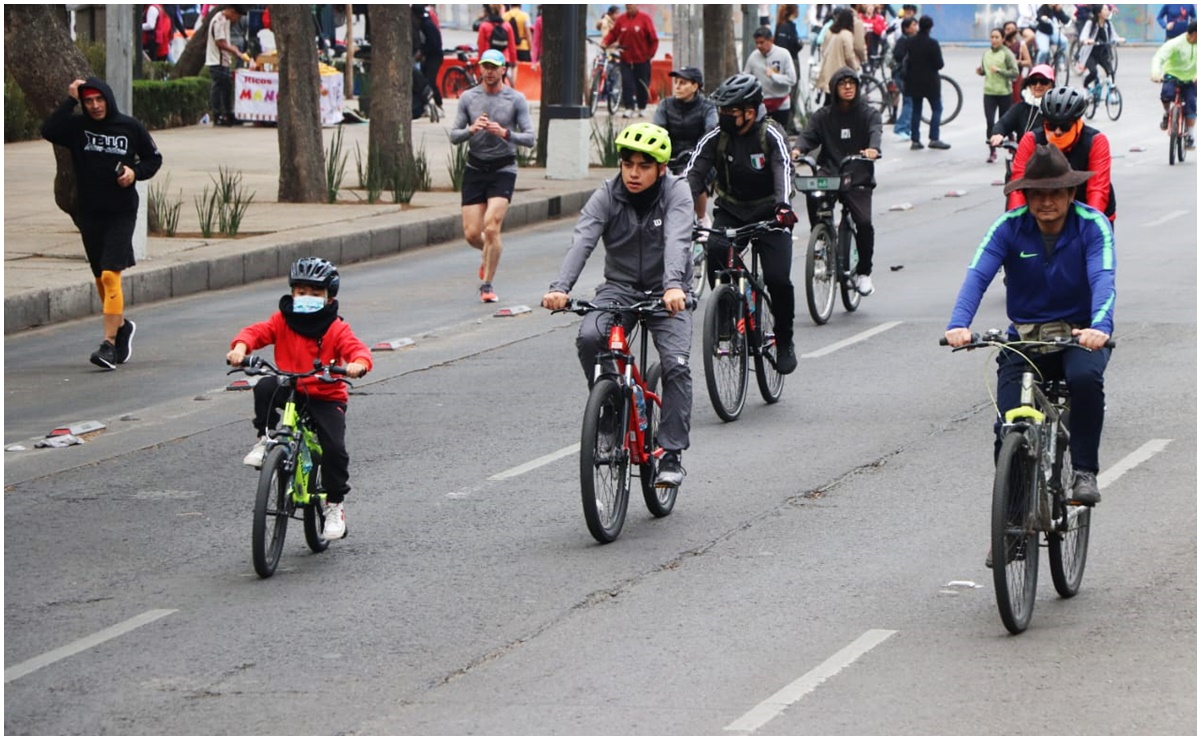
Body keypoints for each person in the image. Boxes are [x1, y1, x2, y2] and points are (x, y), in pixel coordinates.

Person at [945, 144, 1114, 511]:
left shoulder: (1092, 225)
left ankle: (1084, 470)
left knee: (1085, 381)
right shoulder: (1008, 228)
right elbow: (977, 275)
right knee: (1007, 427)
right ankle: (1012, 519)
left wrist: (1099, 327)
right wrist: (959, 324)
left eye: (1055, 193)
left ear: (1071, 193)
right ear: (1027, 196)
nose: (1046, 202)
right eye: (1037, 194)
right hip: (1024, 340)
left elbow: (1103, 278)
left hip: (1078, 337)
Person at [541, 123, 694, 488]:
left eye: (644, 166)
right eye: (628, 164)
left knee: (676, 364)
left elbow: (677, 240)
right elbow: (583, 240)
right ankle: (610, 413)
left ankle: (670, 452)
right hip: (619, 288)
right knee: (591, 336)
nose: (634, 173)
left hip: (666, 292)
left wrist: (673, 286)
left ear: (661, 168)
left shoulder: (677, 193)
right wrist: (560, 288)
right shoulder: (607, 195)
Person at [226, 257, 373, 541]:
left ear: (329, 297)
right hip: (290, 383)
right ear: (292, 292)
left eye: (316, 294)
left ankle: (334, 505)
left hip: (325, 393)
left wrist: (358, 364)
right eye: (302, 292)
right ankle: (266, 438)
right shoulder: (283, 319)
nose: (307, 298)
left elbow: (357, 349)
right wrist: (241, 347)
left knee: (333, 448)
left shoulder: (336, 328)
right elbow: (257, 333)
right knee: (265, 386)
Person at [40, 78, 163, 370]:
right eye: (89, 101)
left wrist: (134, 173)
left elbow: (153, 159)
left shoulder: (129, 127)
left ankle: (108, 344)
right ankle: (121, 327)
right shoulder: (77, 128)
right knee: (99, 276)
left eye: (100, 100)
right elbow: (48, 130)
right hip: (90, 212)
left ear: (108, 99)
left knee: (110, 274)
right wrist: (70, 100)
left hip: (121, 211)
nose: (95, 106)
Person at [684, 74, 799, 374]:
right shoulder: (716, 136)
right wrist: (678, 210)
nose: (723, 116)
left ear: (750, 111)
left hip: (771, 213)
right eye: (721, 110)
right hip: (732, 209)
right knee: (717, 250)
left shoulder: (770, 134)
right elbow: (693, 175)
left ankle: (785, 339)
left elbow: (783, 169)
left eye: (730, 112)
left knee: (778, 279)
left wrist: (783, 206)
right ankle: (724, 315)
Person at [449, 49, 536, 303]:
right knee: (473, 234)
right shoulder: (468, 98)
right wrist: (471, 130)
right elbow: (454, 135)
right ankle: (489, 252)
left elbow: (530, 138)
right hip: (475, 168)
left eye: (493, 67)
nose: (488, 71)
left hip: (503, 169)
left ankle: (487, 285)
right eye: (484, 67)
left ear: (503, 70)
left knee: (491, 226)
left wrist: (505, 133)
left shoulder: (515, 99)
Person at [793, 66, 883, 296]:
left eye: (852, 83)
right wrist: (797, 149)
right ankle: (821, 241)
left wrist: (872, 149)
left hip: (858, 175)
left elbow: (875, 131)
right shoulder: (823, 116)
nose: (848, 87)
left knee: (863, 223)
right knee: (814, 193)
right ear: (834, 88)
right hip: (830, 173)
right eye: (842, 83)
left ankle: (864, 272)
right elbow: (807, 136)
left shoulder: (868, 113)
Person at [1007, 86, 1116, 223]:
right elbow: (1018, 187)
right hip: (1046, 211)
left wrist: (1092, 224)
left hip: (1087, 206)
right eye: (1052, 126)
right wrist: (1016, 223)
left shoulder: (1096, 141)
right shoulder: (1031, 140)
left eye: (1065, 126)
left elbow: (1097, 190)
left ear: (1078, 123)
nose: (1058, 131)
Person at [652, 66, 718, 175]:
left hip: (698, 159)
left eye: (682, 83)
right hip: (669, 159)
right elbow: (657, 131)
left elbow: (711, 132)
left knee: (691, 181)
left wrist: (697, 154)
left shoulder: (707, 107)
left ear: (695, 86)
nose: (677, 87)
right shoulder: (665, 105)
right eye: (676, 82)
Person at [603, 4, 659, 118]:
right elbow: (614, 34)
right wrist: (605, 42)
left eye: (631, 7)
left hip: (642, 59)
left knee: (642, 84)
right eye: (627, 7)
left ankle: (642, 106)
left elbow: (653, 39)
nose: (629, 9)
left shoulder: (645, 19)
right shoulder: (622, 20)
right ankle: (629, 107)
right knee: (627, 83)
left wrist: (650, 55)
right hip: (626, 58)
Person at [907, 15, 951, 150]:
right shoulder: (932, 43)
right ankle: (934, 138)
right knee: (937, 108)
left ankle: (915, 140)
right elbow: (939, 64)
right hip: (931, 82)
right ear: (931, 27)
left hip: (914, 81)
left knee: (916, 111)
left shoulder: (911, 42)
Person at [1152, 18, 1197, 148]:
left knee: (1191, 104)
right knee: (1166, 94)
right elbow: (1159, 57)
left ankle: (1190, 135)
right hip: (1172, 75)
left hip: (1190, 78)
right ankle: (1167, 113)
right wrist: (1156, 73)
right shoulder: (1176, 43)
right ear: (1194, 34)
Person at [990, 63, 1055, 154]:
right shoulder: (1021, 107)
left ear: (1051, 85)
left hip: (1047, 158)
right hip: (1022, 156)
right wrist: (998, 134)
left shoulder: (1056, 109)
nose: (1038, 85)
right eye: (1033, 81)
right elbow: (1003, 123)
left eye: (1043, 81)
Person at [743, 26, 798, 130]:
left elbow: (792, 79)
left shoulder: (783, 54)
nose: (759, 46)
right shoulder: (753, 56)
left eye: (762, 42)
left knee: (780, 133)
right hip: (762, 103)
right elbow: (746, 77)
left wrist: (774, 76)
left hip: (781, 102)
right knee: (761, 134)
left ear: (771, 40)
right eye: (757, 43)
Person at [206, 5, 251, 127]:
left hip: (224, 60)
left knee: (226, 87)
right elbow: (220, 42)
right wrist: (235, 51)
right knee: (219, 87)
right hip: (217, 60)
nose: (237, 20)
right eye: (237, 16)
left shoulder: (226, 20)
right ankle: (218, 114)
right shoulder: (218, 21)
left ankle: (227, 113)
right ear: (232, 12)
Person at [979, 27, 1020, 163]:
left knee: (1005, 122)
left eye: (997, 37)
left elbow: (1015, 73)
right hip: (989, 92)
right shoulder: (986, 54)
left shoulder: (1007, 54)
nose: (994, 40)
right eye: (992, 37)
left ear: (1003, 39)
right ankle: (992, 151)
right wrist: (981, 71)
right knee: (990, 122)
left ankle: (1011, 140)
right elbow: (985, 71)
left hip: (1004, 93)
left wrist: (1000, 71)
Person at [816, 8, 860, 97]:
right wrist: (855, 67)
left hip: (827, 71)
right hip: (841, 72)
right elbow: (849, 56)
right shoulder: (847, 34)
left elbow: (823, 49)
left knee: (828, 99)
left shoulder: (829, 32)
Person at [1078, 5, 1122, 93]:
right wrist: (1087, 40)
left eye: (1108, 10)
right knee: (1094, 73)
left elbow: (1113, 36)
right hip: (1091, 53)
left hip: (1103, 53)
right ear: (1099, 13)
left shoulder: (1108, 24)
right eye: (1105, 10)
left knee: (1111, 72)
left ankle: (1112, 93)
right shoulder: (1091, 23)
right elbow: (1083, 36)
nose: (1108, 12)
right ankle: (1084, 86)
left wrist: (1119, 39)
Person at [774, 4, 804, 131]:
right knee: (791, 93)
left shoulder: (785, 25)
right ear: (794, 11)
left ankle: (789, 122)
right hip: (790, 62)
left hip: (790, 61)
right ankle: (788, 124)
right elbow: (789, 45)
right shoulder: (786, 27)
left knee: (791, 93)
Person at [890, 16, 919, 141]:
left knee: (909, 101)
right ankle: (901, 127)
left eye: (916, 24)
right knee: (909, 101)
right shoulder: (903, 40)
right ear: (906, 28)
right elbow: (898, 56)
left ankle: (906, 128)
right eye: (913, 25)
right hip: (902, 75)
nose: (915, 27)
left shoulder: (911, 39)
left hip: (907, 75)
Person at [413, 5, 444, 111]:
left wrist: (422, 52)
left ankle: (438, 103)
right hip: (429, 55)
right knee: (423, 79)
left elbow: (434, 44)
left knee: (430, 80)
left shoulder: (426, 25)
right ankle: (424, 105)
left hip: (434, 56)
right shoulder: (424, 23)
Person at [1003, 20, 1034, 103]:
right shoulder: (1000, 45)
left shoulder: (1021, 45)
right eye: (1007, 29)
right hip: (1001, 80)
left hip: (1015, 79)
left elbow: (1028, 62)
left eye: (1012, 29)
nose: (1010, 31)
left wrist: (1018, 62)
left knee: (1016, 103)